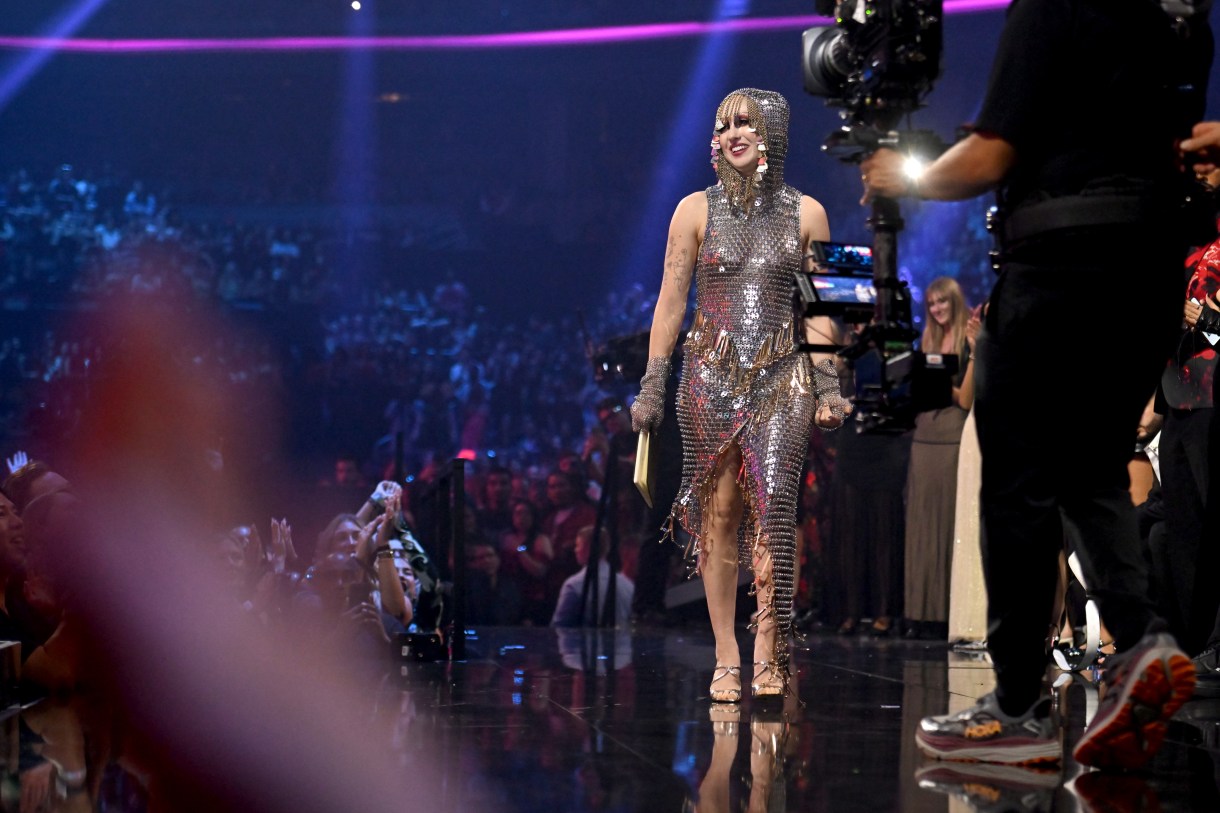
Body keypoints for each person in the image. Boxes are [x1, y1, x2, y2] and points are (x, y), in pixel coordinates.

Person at [861, 0, 1210, 769]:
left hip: (1061, 268)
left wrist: (905, 175)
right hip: (1148, 272)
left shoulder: (1050, 5)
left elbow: (992, 155)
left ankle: (1018, 705)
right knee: (1090, 468)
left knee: (1016, 480)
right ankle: (1142, 641)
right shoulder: (1175, 17)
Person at [631, 88, 849, 702]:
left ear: (773, 132)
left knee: (777, 507)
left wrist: (828, 385)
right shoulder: (692, 210)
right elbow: (671, 300)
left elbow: (824, 308)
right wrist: (654, 380)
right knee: (720, 514)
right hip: (709, 373)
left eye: (745, 122)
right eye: (724, 122)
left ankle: (769, 648)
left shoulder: (809, 212)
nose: (733, 132)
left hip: (785, 375)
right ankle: (727, 652)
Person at [902, 278, 976, 640]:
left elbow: (965, 399)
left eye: (942, 302)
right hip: (923, 436)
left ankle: (949, 613)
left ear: (954, 302)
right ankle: (920, 611)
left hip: (952, 437)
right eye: (931, 304)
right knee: (921, 524)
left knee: (948, 524)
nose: (936, 309)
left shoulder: (968, 342)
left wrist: (939, 383)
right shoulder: (926, 341)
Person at [550, 526, 634, 628]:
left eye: (578, 545)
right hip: (621, 643)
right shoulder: (628, 585)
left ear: (588, 548)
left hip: (586, 643)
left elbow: (560, 627)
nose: (575, 550)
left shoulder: (574, 585)